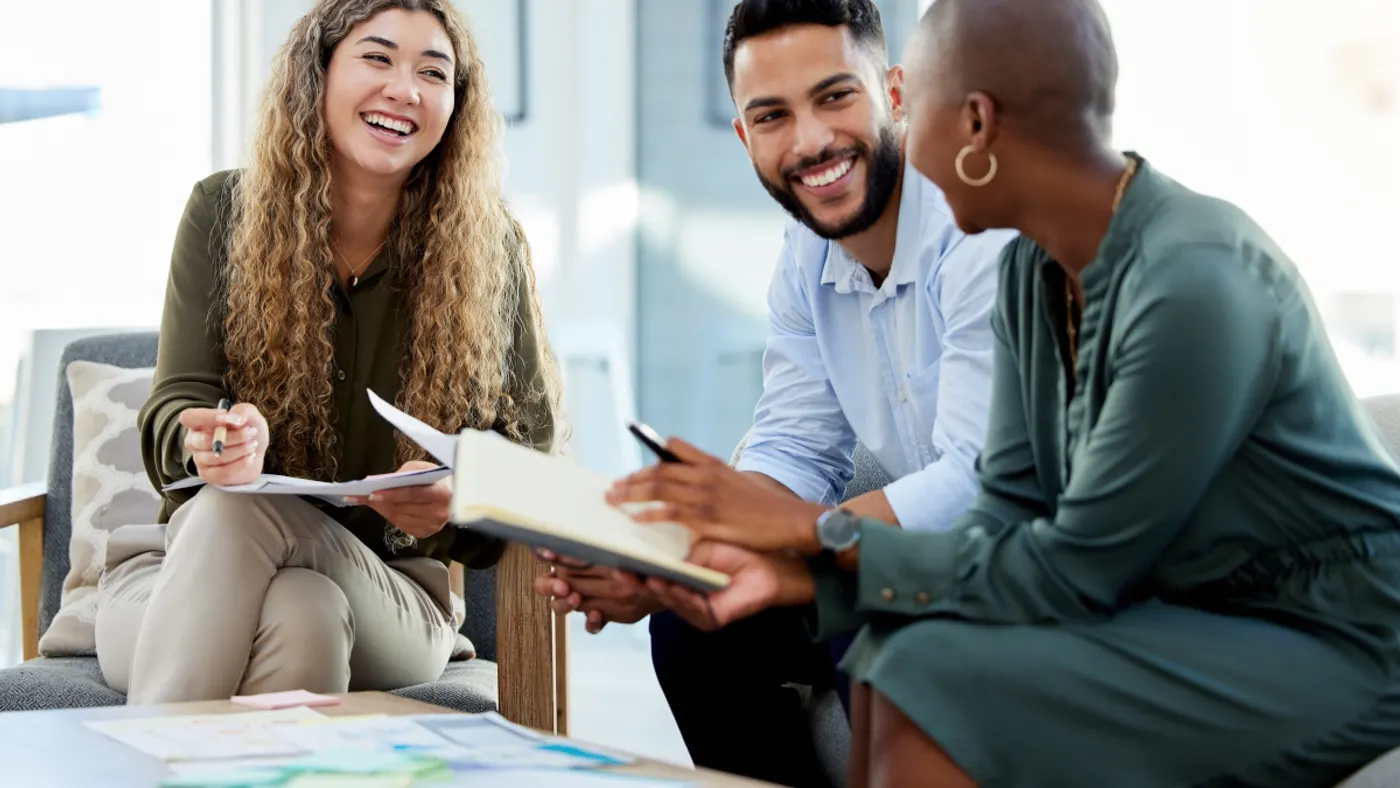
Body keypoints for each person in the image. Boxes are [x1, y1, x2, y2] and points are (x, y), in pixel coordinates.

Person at [606, 0, 1400, 785]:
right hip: (1174, 601)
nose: (906, 142)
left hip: (1332, 632)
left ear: (972, 122)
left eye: (919, 109)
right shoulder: (1032, 268)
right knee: (904, 654)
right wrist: (776, 561)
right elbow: (1004, 511)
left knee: (933, 675)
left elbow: (1072, 567)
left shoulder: (1195, 281)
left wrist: (806, 550)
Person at [537, 0, 1012, 784]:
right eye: (772, 116)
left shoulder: (976, 228)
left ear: (894, 93)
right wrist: (668, 561)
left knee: (865, 610)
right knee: (693, 628)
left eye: (834, 97)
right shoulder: (806, 253)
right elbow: (795, 442)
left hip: (1006, 561)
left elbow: (977, 482)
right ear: (743, 136)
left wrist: (787, 534)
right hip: (904, 547)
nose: (811, 142)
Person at [93, 0, 560, 705]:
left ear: (456, 104)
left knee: (240, 516)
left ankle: (142, 761)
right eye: (377, 57)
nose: (403, 89)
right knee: (299, 609)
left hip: (393, 597)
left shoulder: (489, 250)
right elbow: (176, 410)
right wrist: (215, 445)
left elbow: (532, 466)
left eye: (432, 72)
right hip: (176, 579)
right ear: (319, 73)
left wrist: (457, 502)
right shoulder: (223, 213)